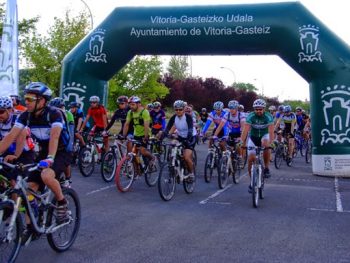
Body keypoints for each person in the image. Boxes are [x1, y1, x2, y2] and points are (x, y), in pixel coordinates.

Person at [0, 82, 71, 238]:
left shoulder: (54, 114)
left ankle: (62, 202)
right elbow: (10, 137)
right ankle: (31, 227)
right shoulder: (25, 115)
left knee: (46, 175)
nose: (26, 101)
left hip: (61, 152)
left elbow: (55, 137)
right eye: (26, 98)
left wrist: (51, 158)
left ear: (42, 100)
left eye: (30, 98)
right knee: (28, 190)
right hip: (44, 152)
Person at [241, 99, 274, 192]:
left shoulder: (268, 116)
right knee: (250, 159)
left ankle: (266, 168)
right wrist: (241, 141)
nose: (258, 111)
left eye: (260, 109)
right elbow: (245, 130)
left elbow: (271, 131)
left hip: (264, 135)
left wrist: (272, 142)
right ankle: (252, 182)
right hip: (253, 137)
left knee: (266, 144)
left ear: (264, 109)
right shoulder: (250, 116)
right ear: (254, 109)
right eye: (256, 109)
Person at [0, 96, 35, 183]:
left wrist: (16, 155)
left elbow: (22, 136)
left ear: (10, 110)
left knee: (14, 181)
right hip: (8, 150)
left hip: (24, 152)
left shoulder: (18, 118)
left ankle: (17, 195)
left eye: (1, 111)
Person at [157, 100, 195, 179]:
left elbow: (190, 129)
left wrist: (188, 137)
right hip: (180, 136)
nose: (178, 111)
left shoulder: (188, 117)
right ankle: (174, 161)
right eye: (176, 109)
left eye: (180, 109)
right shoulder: (174, 117)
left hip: (190, 137)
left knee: (186, 157)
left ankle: (191, 173)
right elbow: (167, 129)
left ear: (184, 109)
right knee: (172, 144)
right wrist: (162, 137)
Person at [122, 96, 154, 164]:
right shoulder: (130, 112)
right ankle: (136, 171)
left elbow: (146, 126)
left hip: (145, 134)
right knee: (134, 153)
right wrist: (123, 135)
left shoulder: (145, 112)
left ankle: (152, 157)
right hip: (136, 134)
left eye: (133, 104)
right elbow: (126, 124)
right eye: (130, 104)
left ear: (139, 104)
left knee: (142, 151)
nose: (131, 106)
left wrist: (145, 137)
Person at [49, 97, 74, 180]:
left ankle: (68, 179)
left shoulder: (67, 114)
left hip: (66, 138)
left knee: (67, 158)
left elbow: (70, 131)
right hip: (56, 140)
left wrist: (70, 144)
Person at [214, 100, 245, 166]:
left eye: (233, 108)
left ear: (236, 108)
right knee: (229, 147)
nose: (231, 109)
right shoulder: (227, 115)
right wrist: (215, 135)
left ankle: (240, 157)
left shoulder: (241, 115)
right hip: (231, 132)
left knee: (238, 145)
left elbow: (243, 127)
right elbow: (220, 126)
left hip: (240, 132)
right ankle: (230, 161)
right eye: (230, 108)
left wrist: (241, 137)